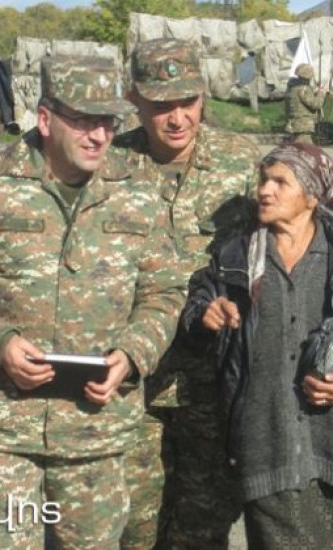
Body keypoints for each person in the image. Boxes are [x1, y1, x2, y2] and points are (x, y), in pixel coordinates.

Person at [0, 55, 186, 550]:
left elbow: (165, 291)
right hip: (2, 422)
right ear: (45, 119)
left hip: (96, 424)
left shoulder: (139, 194)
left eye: (108, 122)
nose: (99, 136)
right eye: (83, 121)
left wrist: (132, 355)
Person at [182, 143, 333, 549]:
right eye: (263, 180)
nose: (264, 191)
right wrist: (206, 314)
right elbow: (196, 309)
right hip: (264, 446)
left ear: (311, 197)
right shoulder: (235, 257)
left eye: (280, 182)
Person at [114, 38, 261, 550]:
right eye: (161, 105)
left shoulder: (240, 163)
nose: (177, 118)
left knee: (203, 528)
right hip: (133, 383)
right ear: (133, 98)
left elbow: (281, 248)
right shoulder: (109, 166)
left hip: (212, 383)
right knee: (133, 525)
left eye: (188, 101)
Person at [284, 63, 327, 144]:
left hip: (294, 124)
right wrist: (321, 93)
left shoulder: (292, 88)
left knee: (297, 147)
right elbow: (316, 104)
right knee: (306, 148)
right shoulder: (304, 89)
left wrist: (314, 92)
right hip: (303, 125)